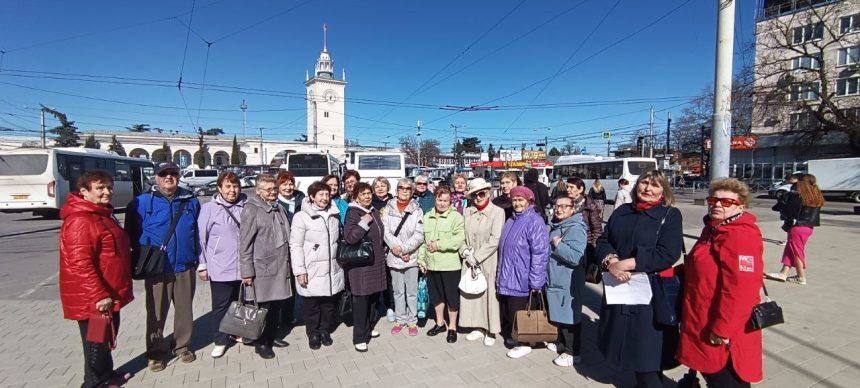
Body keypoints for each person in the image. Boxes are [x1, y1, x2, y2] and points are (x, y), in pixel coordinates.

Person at [596, 170, 684, 388]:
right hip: (619, 287)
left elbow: (668, 253)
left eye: (654, 185)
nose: (647, 189)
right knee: (625, 344)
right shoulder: (623, 211)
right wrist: (611, 261)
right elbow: (604, 240)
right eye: (644, 183)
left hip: (651, 293)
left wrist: (627, 263)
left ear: (664, 189)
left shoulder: (670, 215)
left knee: (648, 352)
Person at [678, 178, 764, 387]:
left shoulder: (740, 236)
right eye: (713, 200)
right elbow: (696, 267)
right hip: (702, 317)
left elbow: (742, 289)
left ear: (740, 206)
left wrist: (723, 329)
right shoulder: (712, 230)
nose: (717, 205)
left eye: (726, 202)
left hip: (724, 326)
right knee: (710, 373)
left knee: (725, 378)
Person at [60, 171, 134, 388]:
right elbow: (80, 263)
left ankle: (107, 376)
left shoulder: (100, 214)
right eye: (100, 188)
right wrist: (99, 295)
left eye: (109, 187)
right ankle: (93, 383)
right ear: (84, 192)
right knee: (95, 344)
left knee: (105, 341)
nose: (106, 192)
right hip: (95, 299)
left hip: (110, 293)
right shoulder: (81, 220)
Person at [125, 161, 200, 371]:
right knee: (156, 312)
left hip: (184, 264)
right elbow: (130, 234)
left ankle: (182, 346)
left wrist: (198, 260)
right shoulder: (140, 203)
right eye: (164, 174)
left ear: (178, 175)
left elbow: (197, 232)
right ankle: (156, 353)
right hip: (157, 267)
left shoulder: (191, 201)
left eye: (173, 173)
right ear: (156, 177)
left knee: (185, 310)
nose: (169, 177)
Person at [239, 174, 293, 359]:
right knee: (263, 308)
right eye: (268, 189)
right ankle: (261, 342)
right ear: (258, 191)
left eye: (274, 189)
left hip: (280, 266)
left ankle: (272, 336)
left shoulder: (278, 208)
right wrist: (246, 271)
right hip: (263, 268)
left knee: (277, 306)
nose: (272, 192)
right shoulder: (252, 209)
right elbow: (244, 243)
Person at [497, 186, 550, 359]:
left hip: (523, 276)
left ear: (529, 201)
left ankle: (525, 342)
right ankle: (519, 337)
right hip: (509, 274)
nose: (517, 203)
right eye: (514, 200)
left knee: (521, 311)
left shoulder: (534, 221)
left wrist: (536, 280)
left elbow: (540, 252)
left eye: (521, 200)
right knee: (511, 311)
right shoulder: (512, 219)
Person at [196, 172, 246, 359]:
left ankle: (236, 332)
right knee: (221, 305)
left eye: (235, 186)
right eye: (228, 186)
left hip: (243, 266)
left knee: (239, 302)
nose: (232, 190)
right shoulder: (209, 208)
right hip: (219, 266)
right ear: (219, 188)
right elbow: (201, 238)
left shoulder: (246, 206)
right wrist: (203, 264)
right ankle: (220, 340)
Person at [289, 181, 344, 350]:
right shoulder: (301, 216)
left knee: (328, 303)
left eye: (327, 194)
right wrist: (299, 270)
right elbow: (295, 245)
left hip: (331, 267)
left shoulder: (334, 214)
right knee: (311, 304)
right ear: (311, 196)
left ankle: (324, 330)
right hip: (311, 268)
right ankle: (313, 333)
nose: (324, 198)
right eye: (320, 194)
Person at [459, 178, 504, 347]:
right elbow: (461, 234)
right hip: (469, 259)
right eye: (475, 194)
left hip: (488, 259)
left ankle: (491, 329)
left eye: (482, 193)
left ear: (488, 193)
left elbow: (495, 239)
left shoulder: (497, 212)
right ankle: (477, 325)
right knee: (472, 293)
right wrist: (464, 251)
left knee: (489, 294)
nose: (479, 197)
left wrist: (476, 257)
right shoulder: (467, 211)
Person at [343, 182, 388, 352]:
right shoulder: (353, 213)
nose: (368, 196)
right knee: (361, 300)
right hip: (361, 264)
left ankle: (368, 328)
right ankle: (359, 337)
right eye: (363, 194)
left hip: (375, 261)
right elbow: (350, 238)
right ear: (356, 196)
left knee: (372, 299)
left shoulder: (373, 210)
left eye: (369, 193)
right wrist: (363, 223)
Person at [419, 186, 466, 343]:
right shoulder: (427, 217)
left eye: (446, 200)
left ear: (450, 200)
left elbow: (459, 239)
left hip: (449, 266)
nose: (443, 203)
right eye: (440, 200)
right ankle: (440, 323)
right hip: (432, 265)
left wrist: (439, 245)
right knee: (436, 297)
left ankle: (452, 326)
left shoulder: (456, 217)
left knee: (452, 297)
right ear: (435, 199)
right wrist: (421, 260)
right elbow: (422, 242)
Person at [546, 195, 588, 367]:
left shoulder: (576, 228)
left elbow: (576, 257)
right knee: (560, 315)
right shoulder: (558, 225)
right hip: (557, 279)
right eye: (557, 206)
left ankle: (573, 352)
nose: (560, 209)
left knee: (570, 317)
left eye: (564, 206)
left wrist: (558, 245)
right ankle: (562, 343)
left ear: (573, 209)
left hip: (568, 281)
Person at [382, 179, 425, 337]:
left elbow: (419, 234)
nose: (405, 191)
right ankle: (400, 320)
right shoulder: (388, 208)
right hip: (394, 255)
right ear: (396, 190)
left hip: (411, 257)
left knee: (412, 291)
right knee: (398, 291)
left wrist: (406, 249)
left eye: (408, 188)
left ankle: (412, 320)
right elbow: (385, 231)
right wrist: (399, 250)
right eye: (401, 188)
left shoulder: (417, 210)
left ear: (412, 192)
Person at [765, 173, 824, 285]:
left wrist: (785, 199)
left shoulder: (799, 197)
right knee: (790, 249)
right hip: (809, 227)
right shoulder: (815, 195)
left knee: (797, 251)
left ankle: (801, 276)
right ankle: (784, 273)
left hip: (798, 226)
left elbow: (786, 210)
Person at [276, 170, 305, 337]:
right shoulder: (275, 203)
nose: (288, 187)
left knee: (294, 285)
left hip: (299, 247)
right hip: (281, 249)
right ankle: (280, 317)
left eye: (290, 183)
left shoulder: (301, 200)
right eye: (284, 184)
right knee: (282, 283)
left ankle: (289, 315)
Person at [567, 177, 604, 268]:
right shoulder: (565, 203)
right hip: (567, 244)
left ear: (580, 189)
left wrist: (594, 248)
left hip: (584, 245)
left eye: (571, 187)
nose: (568, 190)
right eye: (567, 187)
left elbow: (597, 229)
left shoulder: (589, 205)